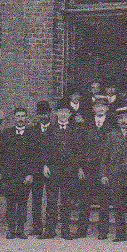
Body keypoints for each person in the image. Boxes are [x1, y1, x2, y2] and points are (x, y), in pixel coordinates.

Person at [42, 97, 86, 239]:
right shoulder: (50, 130)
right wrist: (45, 165)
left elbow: (79, 151)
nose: (63, 114)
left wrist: (79, 168)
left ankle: (65, 230)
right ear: (56, 113)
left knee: (66, 201)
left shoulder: (75, 131)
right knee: (52, 201)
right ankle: (50, 230)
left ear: (69, 114)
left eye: (66, 112)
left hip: (69, 171)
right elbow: (44, 149)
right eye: (60, 111)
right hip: (53, 170)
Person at [0, 107, 39, 240]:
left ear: (27, 118)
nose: (20, 119)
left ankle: (20, 229)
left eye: (23, 116)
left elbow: (34, 156)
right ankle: (10, 228)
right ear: (14, 118)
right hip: (9, 174)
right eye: (18, 116)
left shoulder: (31, 134)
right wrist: (0, 171)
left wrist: (31, 174)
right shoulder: (7, 133)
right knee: (10, 202)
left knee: (22, 202)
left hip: (25, 175)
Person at [100, 105, 127, 244]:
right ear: (117, 121)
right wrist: (104, 174)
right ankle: (120, 233)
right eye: (121, 118)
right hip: (115, 175)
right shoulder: (111, 135)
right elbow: (104, 157)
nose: (124, 121)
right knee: (118, 205)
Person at [81, 95, 115, 239]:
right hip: (89, 167)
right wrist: (81, 167)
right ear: (93, 109)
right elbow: (81, 147)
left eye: (103, 106)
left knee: (104, 200)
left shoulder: (112, 125)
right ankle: (82, 230)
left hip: (105, 168)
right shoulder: (86, 124)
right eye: (97, 106)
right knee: (85, 199)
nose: (100, 109)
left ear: (107, 108)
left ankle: (103, 231)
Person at [26, 100, 53, 238]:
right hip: (37, 170)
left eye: (45, 113)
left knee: (51, 199)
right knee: (36, 199)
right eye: (40, 114)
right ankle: (37, 227)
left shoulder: (54, 129)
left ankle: (49, 228)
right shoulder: (32, 130)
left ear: (50, 113)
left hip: (51, 170)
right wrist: (38, 167)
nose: (43, 117)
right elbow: (30, 152)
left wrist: (48, 165)